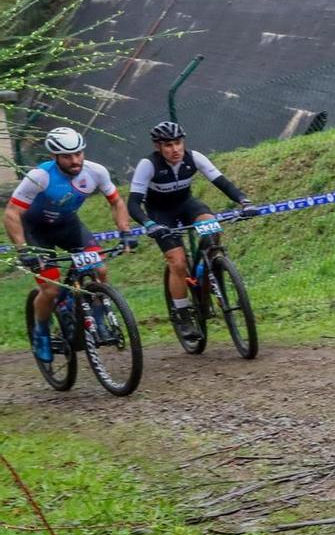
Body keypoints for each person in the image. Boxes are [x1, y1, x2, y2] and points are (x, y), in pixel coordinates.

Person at [5, 127, 135, 362]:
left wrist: (125, 232)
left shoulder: (96, 172)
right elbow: (12, 214)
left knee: (100, 270)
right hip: (36, 232)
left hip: (68, 226)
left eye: (78, 154)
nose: (75, 161)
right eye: (67, 156)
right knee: (51, 289)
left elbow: (116, 202)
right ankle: (41, 331)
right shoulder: (40, 176)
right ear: (54, 157)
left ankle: (96, 319)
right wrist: (23, 250)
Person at [129, 120, 260, 340]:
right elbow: (133, 203)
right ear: (158, 147)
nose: (175, 149)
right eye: (168, 145)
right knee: (177, 262)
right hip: (161, 214)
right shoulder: (148, 165)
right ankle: (182, 315)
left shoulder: (194, 157)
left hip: (187, 204)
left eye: (178, 143)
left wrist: (244, 202)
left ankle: (206, 269)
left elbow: (222, 182)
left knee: (212, 229)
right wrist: (149, 224)